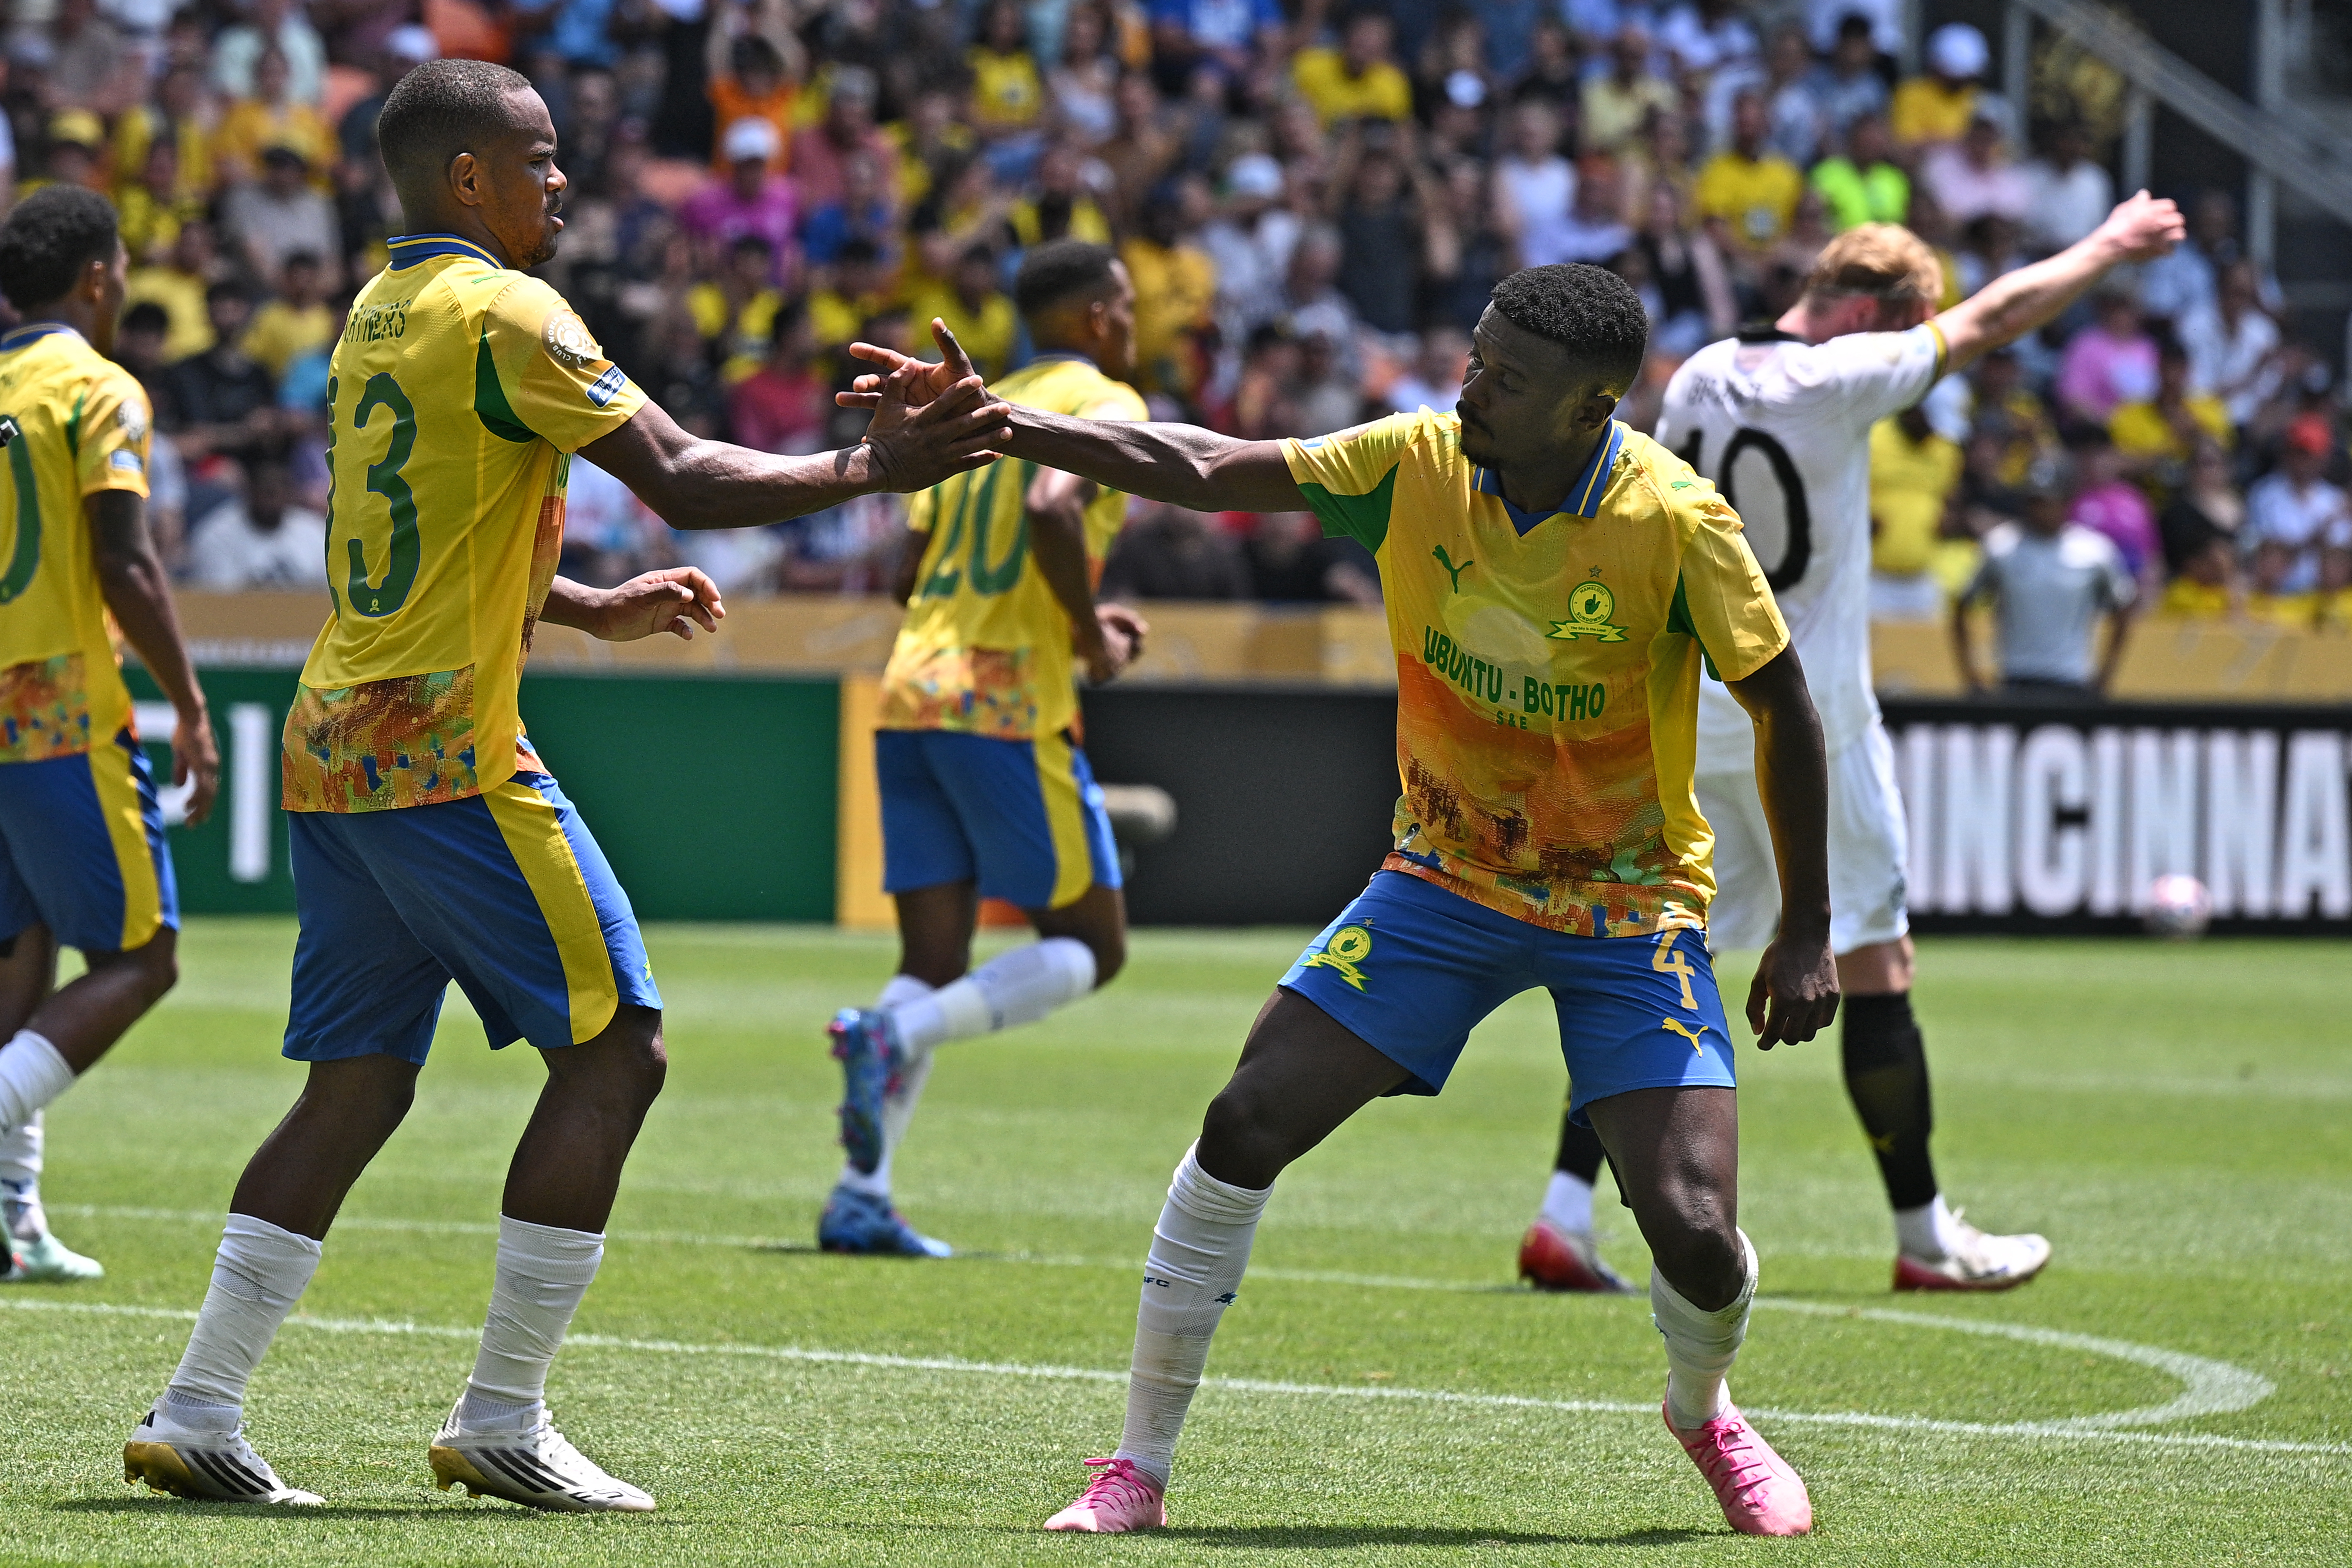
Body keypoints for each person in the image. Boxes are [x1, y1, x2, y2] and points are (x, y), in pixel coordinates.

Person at [121, 57, 1010, 1513]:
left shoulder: (376, 311)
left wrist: (585, 607)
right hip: (447, 748)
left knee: (356, 1082)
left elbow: (437, 525)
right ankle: (502, 1415)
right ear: (467, 176)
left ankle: (202, 1402)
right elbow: (680, 469)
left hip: (336, 734)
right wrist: (870, 465)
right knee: (619, 1048)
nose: (562, 181)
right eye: (537, 158)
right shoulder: (510, 307)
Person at [851, 261, 1846, 1538]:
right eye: (1478, 356)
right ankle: (1136, 1468)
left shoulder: (1676, 520)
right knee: (1246, 1115)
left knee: (1698, 1234)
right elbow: (1209, 464)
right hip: (1443, 878)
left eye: (1512, 379)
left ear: (1592, 405)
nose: (1472, 386)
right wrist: (1003, 422)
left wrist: (1808, 927)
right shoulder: (1414, 460)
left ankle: (1704, 1407)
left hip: (1628, 905)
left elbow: (1787, 712)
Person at [1522, 195, 2184, 1300]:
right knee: (1880, 961)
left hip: (1689, 718)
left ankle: (1562, 1213)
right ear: (1876, 312)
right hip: (1803, 722)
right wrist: (2109, 245)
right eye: (1906, 324)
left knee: (1658, 965)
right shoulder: (1841, 378)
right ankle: (1926, 1233)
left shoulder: (1696, 377)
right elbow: (1991, 321)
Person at [821, 240, 1148, 1257]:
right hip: (1004, 700)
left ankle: (857, 1195)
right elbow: (1054, 506)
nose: (1137, 325)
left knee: (930, 953)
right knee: (1093, 944)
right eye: (1129, 306)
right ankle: (892, 1038)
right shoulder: (1104, 401)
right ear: (1096, 317)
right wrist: (1090, 634)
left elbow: (905, 572)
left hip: (911, 688)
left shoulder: (968, 404)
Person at [0, 187, 219, 1285]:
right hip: (57, 706)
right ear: (96, 277)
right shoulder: (96, 387)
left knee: (19, 953)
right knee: (140, 957)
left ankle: (8, 1218)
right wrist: (189, 700)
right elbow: (126, 560)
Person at [1954, 453, 2137, 697]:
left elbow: (2123, 608)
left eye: (2047, 502)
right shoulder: (2001, 548)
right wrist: (1972, 678)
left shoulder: (2093, 553)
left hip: (2072, 679)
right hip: (2016, 677)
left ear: (2065, 502)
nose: (2039, 510)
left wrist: (2104, 678)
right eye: (2034, 501)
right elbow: (1963, 605)